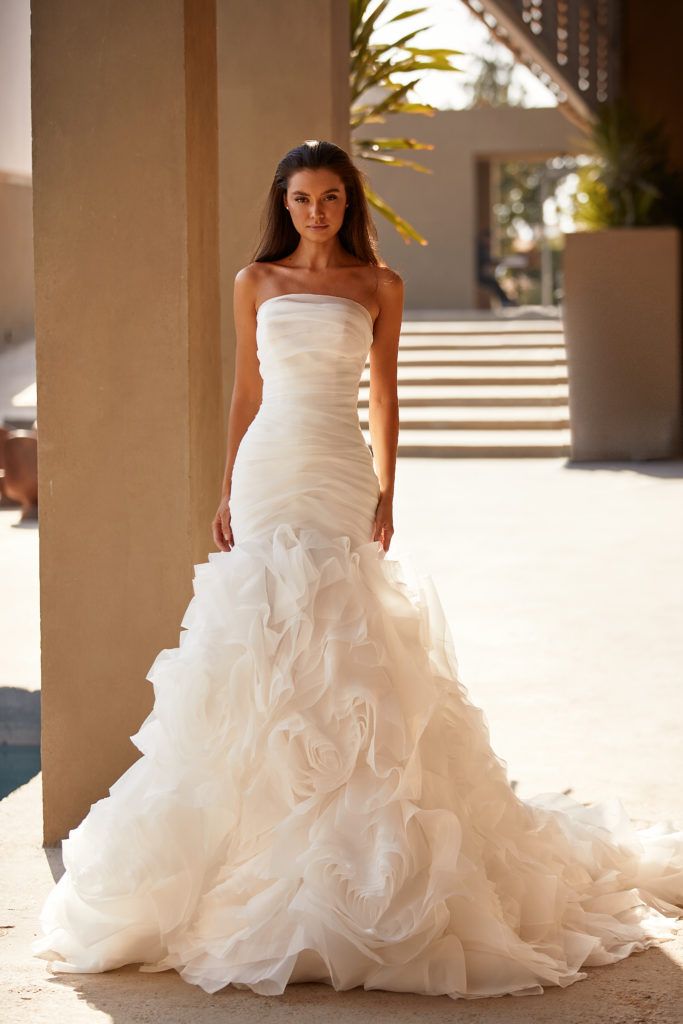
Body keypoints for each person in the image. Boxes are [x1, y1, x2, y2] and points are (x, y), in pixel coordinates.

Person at [32, 140, 683, 1000]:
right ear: (284, 203)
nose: (315, 213)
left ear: (348, 203)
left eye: (330, 198)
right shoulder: (253, 282)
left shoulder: (380, 286)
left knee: (345, 635)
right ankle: (254, 852)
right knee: (262, 631)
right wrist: (227, 488)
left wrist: (386, 488)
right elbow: (245, 393)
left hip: (338, 465)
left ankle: (354, 848)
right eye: (301, 199)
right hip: (269, 468)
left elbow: (384, 391)